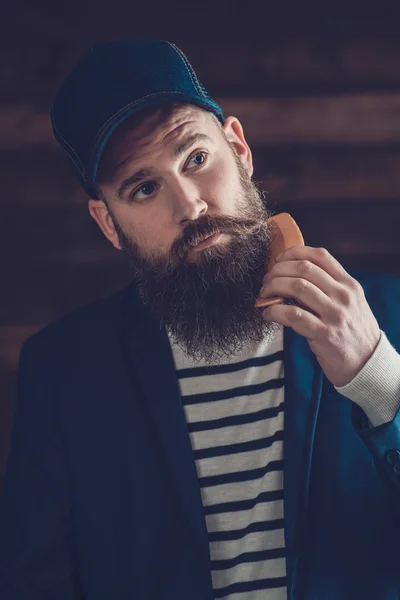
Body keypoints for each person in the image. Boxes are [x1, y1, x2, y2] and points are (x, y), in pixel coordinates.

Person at [1, 39, 400, 600]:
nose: (189, 205)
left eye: (195, 158)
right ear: (108, 223)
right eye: (144, 188)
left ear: (238, 148)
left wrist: (379, 379)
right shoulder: (63, 372)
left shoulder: (388, 319)